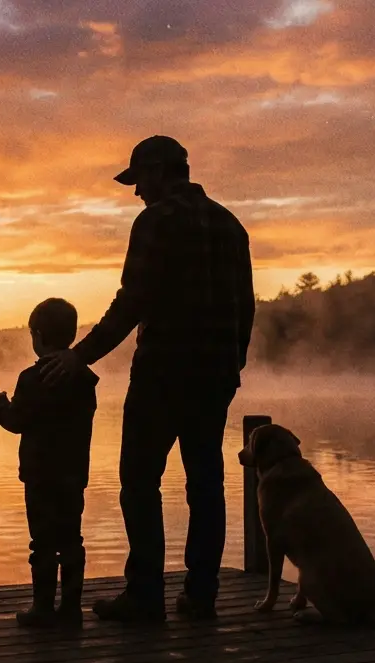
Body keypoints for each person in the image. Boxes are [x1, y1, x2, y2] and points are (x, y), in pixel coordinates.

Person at [39, 135, 255, 623]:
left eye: (139, 181)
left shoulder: (155, 221)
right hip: (215, 378)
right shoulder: (230, 225)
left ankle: (145, 596)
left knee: (139, 482)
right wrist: (233, 365)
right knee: (206, 484)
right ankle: (201, 596)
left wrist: (81, 356)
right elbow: (246, 305)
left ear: (160, 171)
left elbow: (131, 301)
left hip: (162, 374)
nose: (136, 192)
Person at [0, 298, 100, 628]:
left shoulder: (31, 378)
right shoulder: (84, 380)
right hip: (74, 475)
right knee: (72, 540)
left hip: (41, 477)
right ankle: (71, 609)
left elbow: (19, 420)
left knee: (43, 542)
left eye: (32, 332)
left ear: (40, 335)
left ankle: (43, 608)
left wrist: (0, 407)